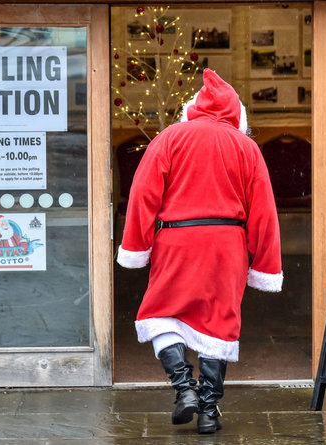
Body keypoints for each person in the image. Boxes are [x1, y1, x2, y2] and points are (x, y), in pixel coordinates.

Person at [116, 69, 283, 434]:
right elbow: (264, 211)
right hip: (228, 246)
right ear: (237, 114)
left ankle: (184, 388)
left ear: (192, 110)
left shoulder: (170, 137)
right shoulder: (247, 148)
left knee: (160, 312)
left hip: (177, 242)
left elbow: (143, 195)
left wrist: (136, 246)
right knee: (219, 324)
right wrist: (265, 264)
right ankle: (208, 410)